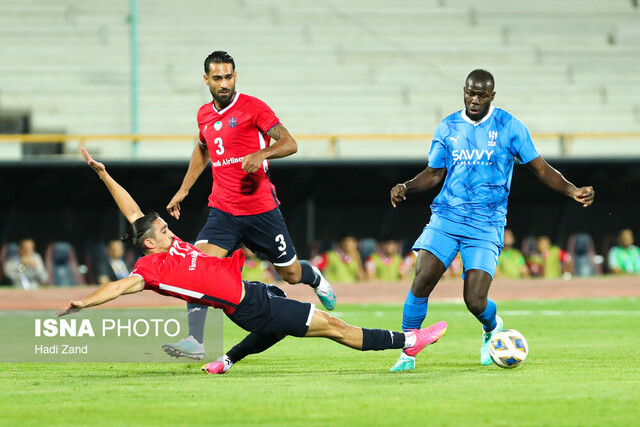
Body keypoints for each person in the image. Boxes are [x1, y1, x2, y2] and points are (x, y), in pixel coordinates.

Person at [59, 148, 448, 374]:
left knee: (279, 313)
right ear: (148, 245)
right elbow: (117, 287)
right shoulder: (150, 268)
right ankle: (409, 341)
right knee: (333, 326)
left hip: (250, 294)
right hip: (246, 307)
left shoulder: (166, 244)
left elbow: (132, 213)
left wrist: (104, 174)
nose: (169, 229)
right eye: (161, 230)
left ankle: (226, 361)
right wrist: (84, 303)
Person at [388, 69, 594, 371]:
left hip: (486, 224)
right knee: (422, 280)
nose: (474, 99)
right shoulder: (447, 127)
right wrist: (406, 186)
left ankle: (491, 327)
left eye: (481, 95)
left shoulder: (510, 126)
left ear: (492, 96)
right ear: (464, 91)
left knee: (474, 299)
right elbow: (433, 174)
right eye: (470, 93)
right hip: (446, 217)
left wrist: (572, 190)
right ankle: (407, 352)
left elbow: (540, 168)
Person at [163, 51, 336, 360]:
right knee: (198, 266)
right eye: (217, 78)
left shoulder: (253, 107)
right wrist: (183, 190)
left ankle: (314, 277)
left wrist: (262, 154)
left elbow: (290, 143)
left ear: (235, 77)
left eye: (229, 76)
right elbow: (202, 151)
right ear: (206, 80)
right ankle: (195, 340)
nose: (224, 83)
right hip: (223, 211)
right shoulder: (204, 114)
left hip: (261, 211)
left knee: (291, 275)